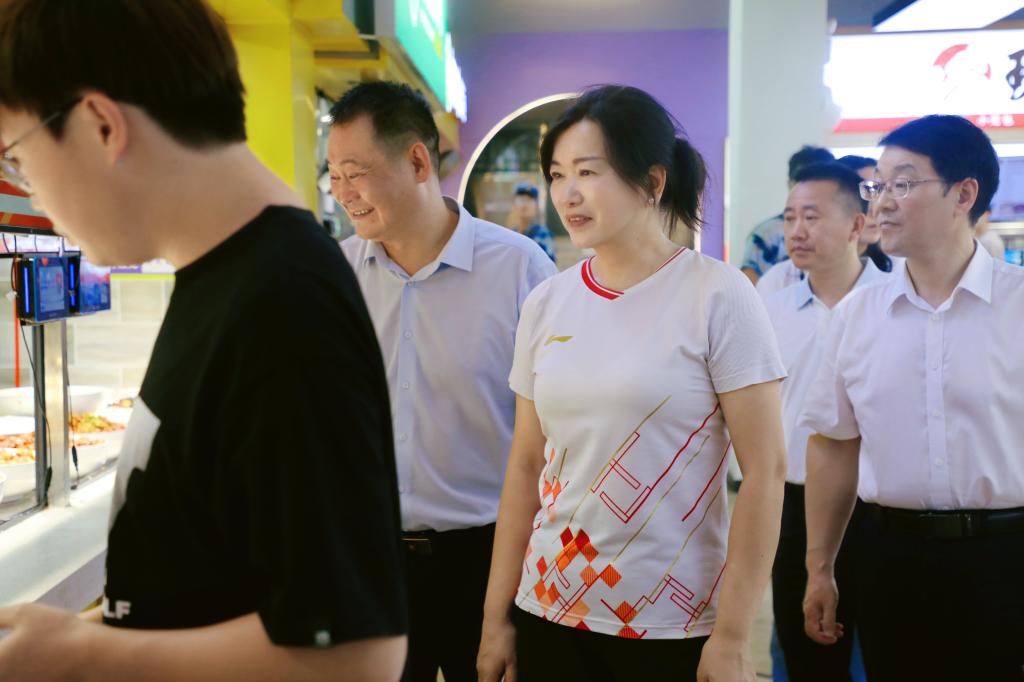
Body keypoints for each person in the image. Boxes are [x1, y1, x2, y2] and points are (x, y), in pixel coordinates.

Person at [0, 1, 407, 681]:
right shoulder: (222, 275)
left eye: (18, 158)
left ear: (101, 125)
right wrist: (72, 634)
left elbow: (357, 656)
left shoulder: (283, 300)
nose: (31, 193)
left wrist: (81, 656)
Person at [476, 85, 787, 682]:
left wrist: (732, 636)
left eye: (588, 172)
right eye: (558, 174)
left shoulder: (718, 294)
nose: (567, 193)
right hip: (549, 606)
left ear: (652, 181)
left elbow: (765, 472)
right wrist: (497, 618)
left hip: (672, 624)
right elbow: (525, 465)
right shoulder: (547, 303)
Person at [327, 81, 557, 682]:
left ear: (417, 162)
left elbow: (555, 438)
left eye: (355, 173)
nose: (342, 193)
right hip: (369, 563)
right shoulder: (335, 276)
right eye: (334, 175)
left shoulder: (521, 271)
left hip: (486, 561)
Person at [801, 115, 1024, 681]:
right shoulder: (857, 316)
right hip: (890, 558)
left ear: (964, 194)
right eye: (877, 186)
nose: (881, 203)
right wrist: (820, 567)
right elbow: (833, 445)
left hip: (1007, 558)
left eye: (903, 183)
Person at [762, 161, 882, 682]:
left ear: (857, 225)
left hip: (876, 507)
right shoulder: (770, 310)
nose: (796, 231)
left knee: (879, 647)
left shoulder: (893, 305)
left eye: (811, 217)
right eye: (790, 217)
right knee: (804, 648)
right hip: (791, 503)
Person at [757, 155, 891, 299]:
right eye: (790, 218)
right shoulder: (777, 288)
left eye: (877, 193)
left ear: (856, 225)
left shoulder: (894, 280)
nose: (875, 208)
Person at [742, 145, 834, 285]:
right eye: (802, 181)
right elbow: (748, 288)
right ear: (790, 184)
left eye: (818, 182)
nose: (798, 234)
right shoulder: (767, 235)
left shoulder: (840, 228)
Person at [511, 183, 557, 263]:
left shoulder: (543, 235)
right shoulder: (511, 234)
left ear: (536, 206)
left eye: (529, 200)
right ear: (514, 205)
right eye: (521, 199)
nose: (524, 204)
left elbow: (549, 266)